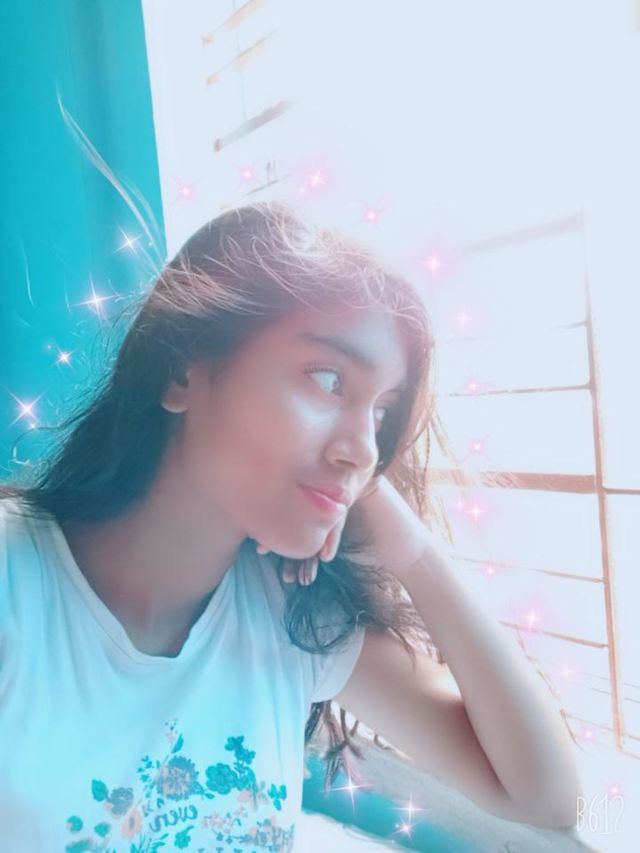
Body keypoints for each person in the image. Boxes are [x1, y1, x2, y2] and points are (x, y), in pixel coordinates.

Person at [0, 200, 582, 851]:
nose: (363, 449)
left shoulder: (291, 618)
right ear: (181, 370)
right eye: (328, 379)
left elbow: (541, 794)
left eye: (381, 412)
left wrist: (414, 553)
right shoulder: (15, 581)